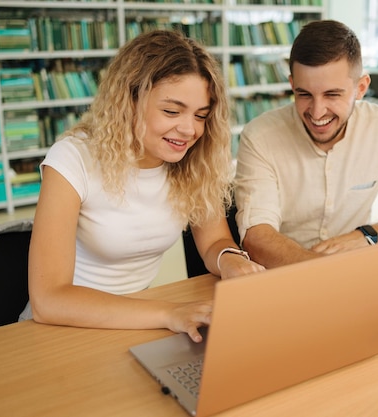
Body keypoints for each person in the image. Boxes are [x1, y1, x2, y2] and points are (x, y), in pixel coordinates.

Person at [28, 30, 264, 343]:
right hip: (64, 328)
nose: (189, 129)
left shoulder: (193, 162)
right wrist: (169, 313)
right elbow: (49, 300)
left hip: (134, 323)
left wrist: (229, 259)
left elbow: (213, 242)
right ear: (130, 99)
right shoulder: (73, 158)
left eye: (201, 115)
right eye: (171, 111)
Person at [234, 20, 378, 268]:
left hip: (355, 268)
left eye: (332, 95)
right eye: (304, 94)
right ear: (292, 85)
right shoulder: (260, 136)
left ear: (360, 88)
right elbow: (256, 237)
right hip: (285, 274)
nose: (317, 113)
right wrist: (325, 272)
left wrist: (364, 236)